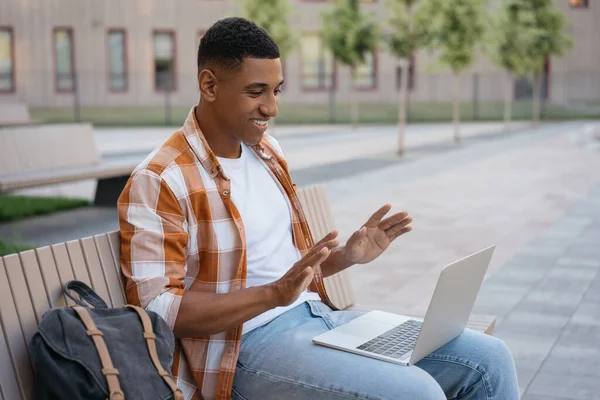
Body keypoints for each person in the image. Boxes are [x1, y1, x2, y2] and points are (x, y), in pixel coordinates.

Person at [118, 17, 520, 400]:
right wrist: (273, 295)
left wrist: (345, 257)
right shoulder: (161, 179)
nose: (272, 108)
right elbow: (157, 311)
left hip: (317, 318)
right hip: (243, 351)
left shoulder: (268, 154)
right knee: (418, 392)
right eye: (256, 92)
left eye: (277, 91)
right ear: (209, 85)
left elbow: (289, 271)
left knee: (490, 360)